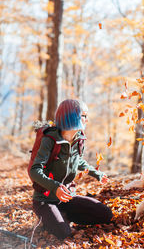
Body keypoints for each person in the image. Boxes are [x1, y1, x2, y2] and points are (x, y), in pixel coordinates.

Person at [30, 99, 113, 240]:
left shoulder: (79, 139)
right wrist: (55, 187)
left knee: (106, 214)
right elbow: (35, 170)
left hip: (67, 197)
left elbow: (78, 161)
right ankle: (48, 217)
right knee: (64, 234)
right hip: (45, 199)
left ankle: (62, 215)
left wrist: (96, 174)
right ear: (72, 117)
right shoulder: (50, 139)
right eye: (84, 116)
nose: (87, 120)